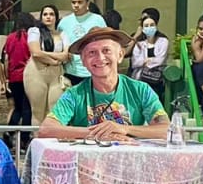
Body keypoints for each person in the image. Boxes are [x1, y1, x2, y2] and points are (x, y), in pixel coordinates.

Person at [39, 27, 169, 140]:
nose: (100, 58)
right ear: (83, 61)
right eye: (92, 53)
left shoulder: (141, 90)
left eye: (106, 50)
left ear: (120, 55)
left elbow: (166, 130)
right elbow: (46, 129)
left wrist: (124, 129)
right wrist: (97, 133)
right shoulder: (73, 95)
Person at [24, 5, 67, 124]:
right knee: (37, 111)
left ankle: (51, 134)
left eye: (51, 14)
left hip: (56, 75)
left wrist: (45, 55)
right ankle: (36, 135)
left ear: (56, 17)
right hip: (36, 73)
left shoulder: (62, 34)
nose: (48, 17)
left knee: (54, 111)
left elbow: (65, 55)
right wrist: (53, 60)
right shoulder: (35, 31)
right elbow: (35, 53)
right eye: (45, 14)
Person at [57, 0, 106, 85]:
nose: (76, 5)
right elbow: (58, 42)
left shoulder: (98, 20)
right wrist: (64, 53)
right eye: (73, 2)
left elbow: (106, 42)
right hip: (71, 71)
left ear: (87, 3)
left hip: (93, 70)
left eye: (80, 2)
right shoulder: (64, 22)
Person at [1, 13, 34, 130]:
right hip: (28, 77)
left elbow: (6, 60)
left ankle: (9, 131)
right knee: (27, 108)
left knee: (18, 107)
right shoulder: (31, 37)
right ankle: (25, 136)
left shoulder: (10, 38)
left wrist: (7, 78)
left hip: (13, 77)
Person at [127, 7, 168, 90]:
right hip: (137, 78)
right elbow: (134, 61)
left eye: (151, 24)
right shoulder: (137, 39)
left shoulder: (162, 40)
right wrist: (136, 37)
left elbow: (160, 60)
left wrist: (145, 63)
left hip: (156, 79)